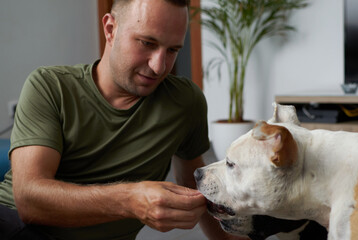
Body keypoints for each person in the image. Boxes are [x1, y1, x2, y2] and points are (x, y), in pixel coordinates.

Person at [0, 0, 248, 239]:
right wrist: (131, 200)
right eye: (147, 43)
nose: (159, 66)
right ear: (110, 29)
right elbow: (29, 201)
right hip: (14, 226)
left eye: (172, 50)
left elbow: (193, 183)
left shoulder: (185, 102)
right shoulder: (49, 87)